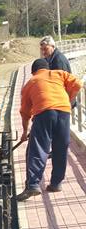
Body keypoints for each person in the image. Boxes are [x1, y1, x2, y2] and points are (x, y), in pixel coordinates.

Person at [16, 59, 82, 200]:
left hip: (44, 113)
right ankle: (56, 183)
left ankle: (33, 185)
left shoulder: (30, 83)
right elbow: (78, 84)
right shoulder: (59, 73)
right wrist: (68, 99)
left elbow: (25, 113)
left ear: (33, 71)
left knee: (38, 149)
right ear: (48, 68)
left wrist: (24, 132)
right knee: (60, 147)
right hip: (64, 111)